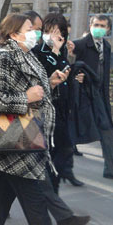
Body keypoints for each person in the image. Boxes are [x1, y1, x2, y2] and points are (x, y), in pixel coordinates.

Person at [0, 13, 91, 225]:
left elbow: (37, 93)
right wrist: (24, 98)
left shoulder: (27, 55)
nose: (35, 33)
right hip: (17, 137)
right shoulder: (3, 57)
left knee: (1, 195)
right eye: (30, 29)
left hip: (25, 133)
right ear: (14, 34)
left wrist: (50, 83)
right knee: (36, 203)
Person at [70, 15, 113, 181]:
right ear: (90, 25)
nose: (99, 28)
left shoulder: (107, 46)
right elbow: (65, 63)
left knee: (107, 130)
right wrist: (76, 76)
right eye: (96, 24)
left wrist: (106, 98)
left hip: (98, 96)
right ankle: (59, 170)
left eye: (102, 25)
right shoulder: (80, 44)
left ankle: (112, 169)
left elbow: (105, 75)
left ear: (108, 29)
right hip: (81, 95)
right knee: (68, 132)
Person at [32, 13, 84, 187]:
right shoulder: (36, 52)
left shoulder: (63, 54)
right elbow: (42, 76)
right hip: (42, 113)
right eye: (49, 31)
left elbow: (66, 77)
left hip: (60, 113)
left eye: (57, 32)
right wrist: (54, 51)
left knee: (61, 153)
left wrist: (76, 78)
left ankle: (52, 195)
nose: (54, 36)